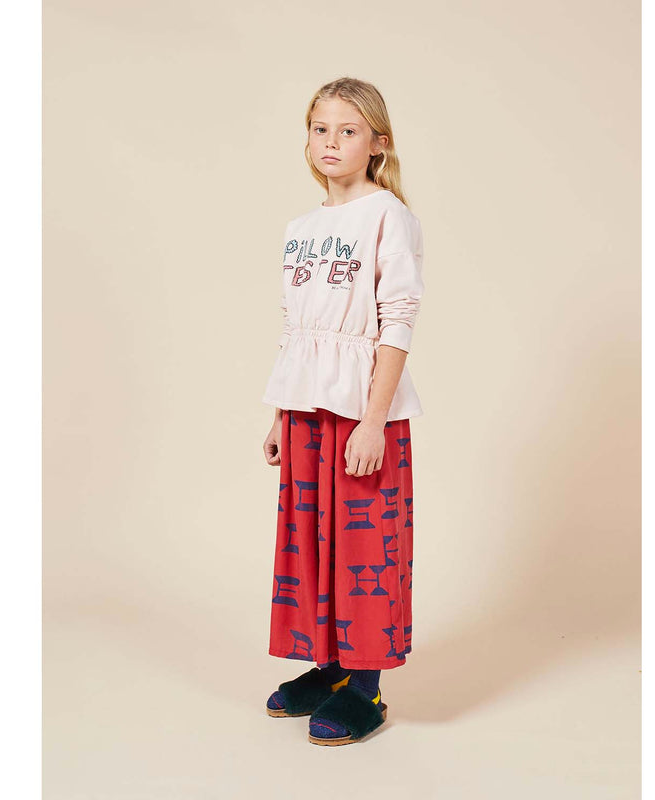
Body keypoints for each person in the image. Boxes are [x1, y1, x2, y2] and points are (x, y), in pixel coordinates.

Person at [260, 77, 425, 746]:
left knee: (364, 544)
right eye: (320, 129)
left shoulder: (388, 216)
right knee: (311, 539)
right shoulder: (301, 229)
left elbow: (398, 318)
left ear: (377, 143)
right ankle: (329, 668)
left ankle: (365, 686)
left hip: (362, 410)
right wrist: (280, 413)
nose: (331, 142)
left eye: (348, 130)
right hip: (306, 407)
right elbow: (295, 327)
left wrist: (373, 421)